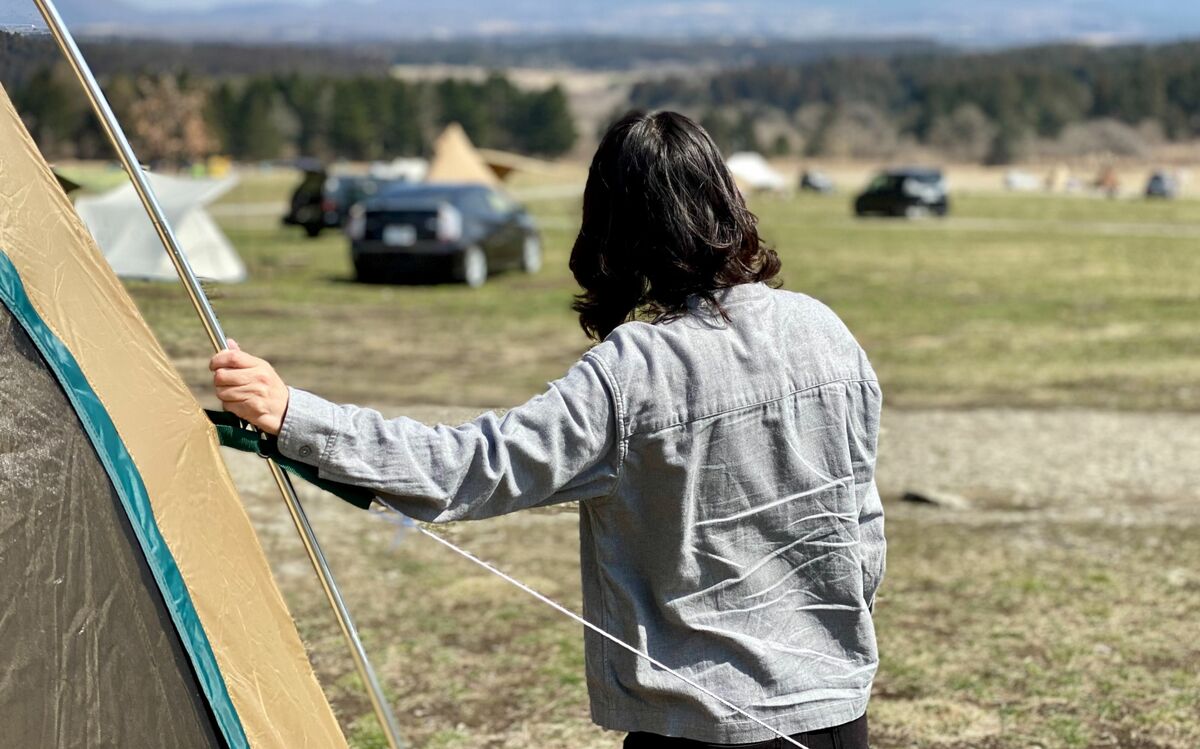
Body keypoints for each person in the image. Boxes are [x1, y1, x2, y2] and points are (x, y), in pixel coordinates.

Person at [211, 111, 884, 749]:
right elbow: (864, 533)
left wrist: (295, 415)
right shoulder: (824, 328)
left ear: (615, 230)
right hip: (839, 717)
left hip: (700, 732)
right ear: (725, 204)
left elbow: (469, 468)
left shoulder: (636, 370)